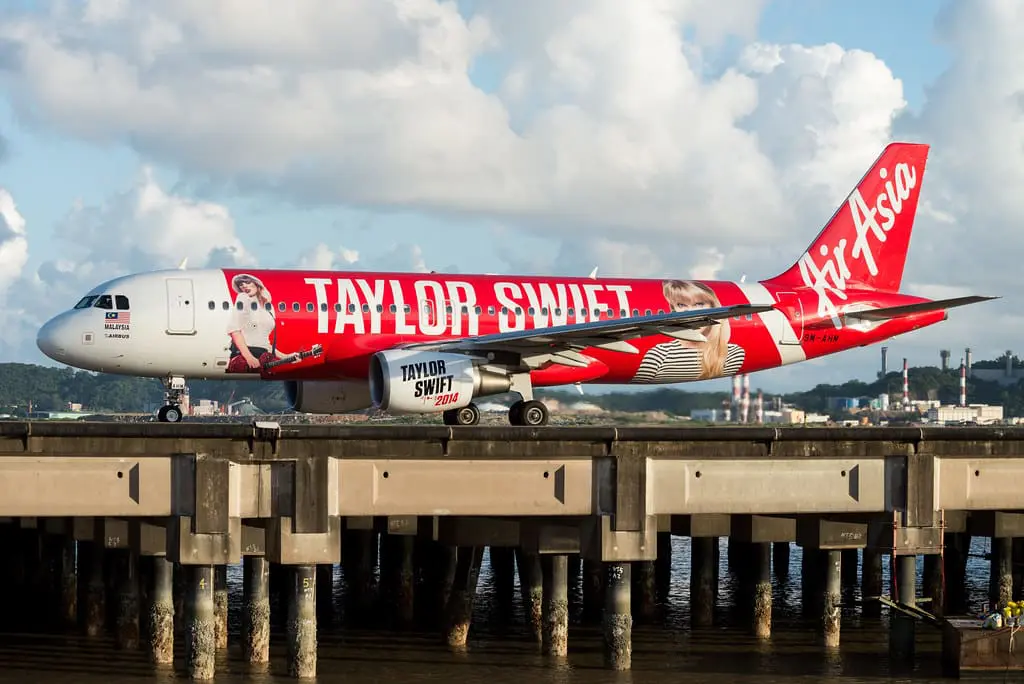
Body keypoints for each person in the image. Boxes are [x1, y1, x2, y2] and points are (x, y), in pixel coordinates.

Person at [631, 279, 745, 383]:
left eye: (699, 304)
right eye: (681, 305)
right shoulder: (660, 354)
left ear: (713, 306)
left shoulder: (733, 353)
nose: (689, 312)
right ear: (674, 309)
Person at [225, 273, 296, 373]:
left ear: (257, 284)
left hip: (261, 357)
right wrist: (249, 357)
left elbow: (263, 343)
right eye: (241, 284)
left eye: (247, 282)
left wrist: (286, 357)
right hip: (245, 357)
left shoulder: (269, 307)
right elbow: (234, 330)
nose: (244, 286)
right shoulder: (243, 298)